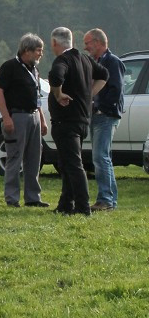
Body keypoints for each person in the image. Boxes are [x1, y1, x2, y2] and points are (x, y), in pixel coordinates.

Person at [47, 27, 108, 216]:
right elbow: (104, 74)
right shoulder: (85, 59)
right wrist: (89, 94)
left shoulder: (63, 60)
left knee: (73, 164)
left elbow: (56, 76)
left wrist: (58, 95)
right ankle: (65, 204)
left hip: (66, 121)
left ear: (55, 43)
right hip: (82, 119)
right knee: (66, 163)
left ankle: (82, 207)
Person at [0, 34, 49, 207]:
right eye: (38, 51)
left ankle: (33, 198)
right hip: (16, 116)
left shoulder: (34, 69)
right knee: (15, 158)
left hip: (33, 116)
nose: (41, 54)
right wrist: (6, 117)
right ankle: (12, 198)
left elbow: (36, 95)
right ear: (27, 50)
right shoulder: (10, 67)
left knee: (34, 158)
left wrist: (42, 118)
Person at [83, 28, 125, 211]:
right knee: (102, 157)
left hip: (106, 116)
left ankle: (105, 200)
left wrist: (99, 107)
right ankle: (109, 199)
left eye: (88, 43)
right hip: (99, 116)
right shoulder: (99, 62)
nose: (85, 47)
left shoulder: (112, 62)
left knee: (100, 157)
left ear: (98, 42)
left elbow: (116, 89)